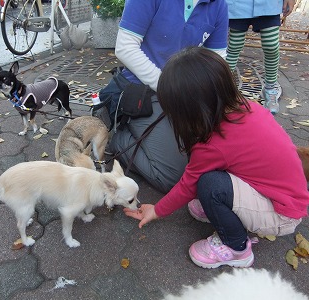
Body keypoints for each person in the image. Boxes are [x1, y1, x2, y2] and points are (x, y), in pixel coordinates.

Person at [124, 47, 309, 269]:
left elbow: (187, 185)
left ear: (187, 111)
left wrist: (157, 210)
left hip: (281, 214)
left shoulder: (213, 145)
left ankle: (236, 248)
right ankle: (226, 210)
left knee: (210, 186)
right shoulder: (246, 107)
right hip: (284, 195)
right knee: (210, 184)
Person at [106, 0, 229, 193]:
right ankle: (118, 136)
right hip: (143, 88)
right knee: (171, 176)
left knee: (217, 151)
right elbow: (125, 47)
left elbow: (216, 60)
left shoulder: (218, 4)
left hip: (182, 93)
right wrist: (170, 88)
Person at [225, 0, 296, 114]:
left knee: (272, 46)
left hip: (269, 5)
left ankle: (270, 89)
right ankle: (223, 89)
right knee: (233, 46)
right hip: (236, 5)